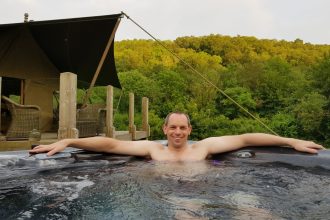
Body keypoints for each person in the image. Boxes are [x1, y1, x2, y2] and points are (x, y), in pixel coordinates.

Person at [29, 112, 325, 161]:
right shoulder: (153, 150)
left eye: (183, 128)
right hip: (174, 198)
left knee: (254, 212)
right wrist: (69, 141)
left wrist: (291, 141)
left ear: (190, 131)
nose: (178, 132)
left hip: (206, 189)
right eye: (174, 127)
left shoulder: (204, 148)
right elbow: (112, 143)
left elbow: (246, 138)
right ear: (165, 130)